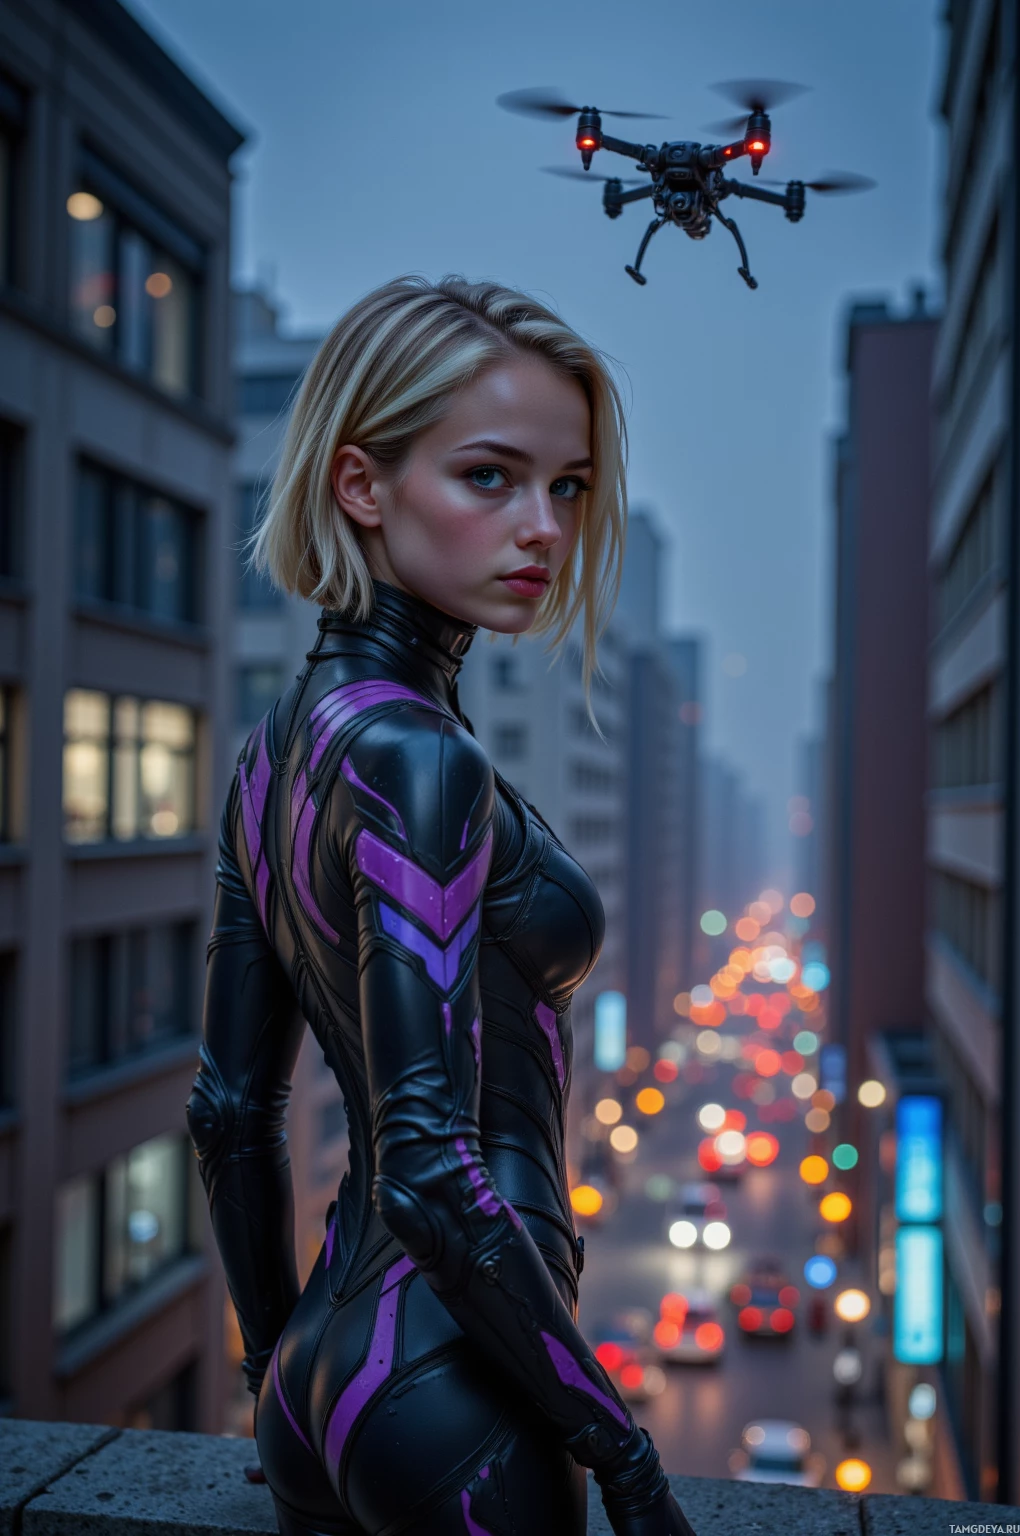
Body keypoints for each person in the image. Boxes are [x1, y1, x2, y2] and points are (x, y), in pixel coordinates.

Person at [188, 275, 697, 1536]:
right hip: (449, 1385)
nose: (544, 528)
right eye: (489, 477)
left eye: (566, 485)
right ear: (363, 488)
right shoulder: (420, 759)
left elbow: (228, 1112)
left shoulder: (272, 752)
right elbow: (425, 1159)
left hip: (318, 1375)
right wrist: (624, 1460)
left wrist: (271, 1376)